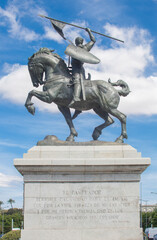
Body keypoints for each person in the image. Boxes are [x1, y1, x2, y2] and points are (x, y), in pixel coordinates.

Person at [68, 28, 96, 107]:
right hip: (73, 69)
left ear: (76, 42)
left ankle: (76, 97)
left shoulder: (82, 48)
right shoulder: (77, 49)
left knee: (77, 80)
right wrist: (89, 32)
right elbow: (93, 40)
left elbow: (93, 41)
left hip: (78, 70)